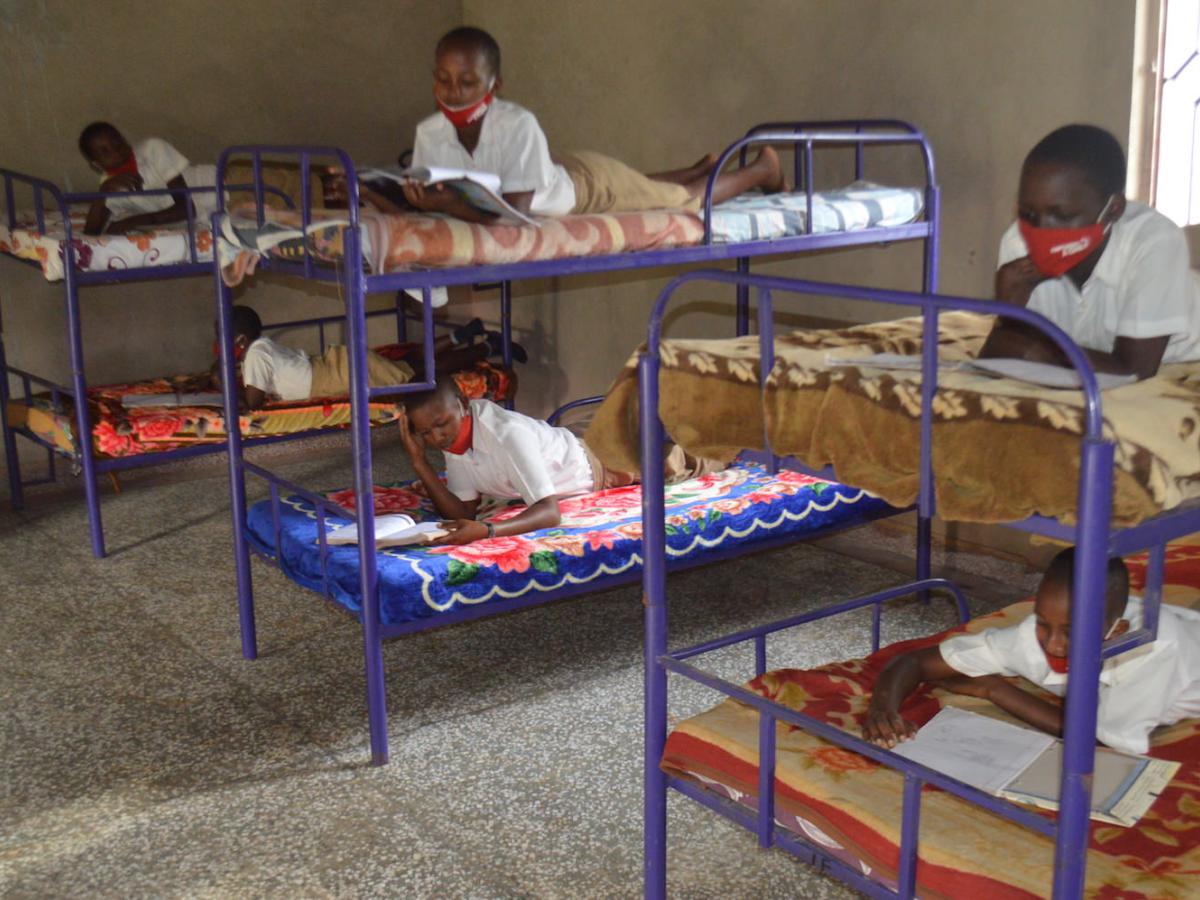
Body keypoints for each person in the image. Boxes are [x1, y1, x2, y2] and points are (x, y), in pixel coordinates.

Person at [337, 26, 785, 222]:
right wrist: (369, 193)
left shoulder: (519, 124)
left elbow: (512, 211)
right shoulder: (430, 132)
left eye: (467, 82)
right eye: (443, 79)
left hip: (584, 188)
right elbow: (428, 201)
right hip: (556, 172)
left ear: (496, 84)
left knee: (678, 202)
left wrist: (445, 205)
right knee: (639, 186)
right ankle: (700, 167)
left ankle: (762, 169)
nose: (452, 92)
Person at [863, 548, 1200, 755]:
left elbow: (1099, 741)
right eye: (1042, 622)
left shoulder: (1147, 649)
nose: (1052, 645)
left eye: (1071, 633)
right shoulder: (1028, 638)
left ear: (1119, 632)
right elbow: (915, 661)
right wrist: (882, 708)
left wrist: (994, 689)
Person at [980, 124, 1200, 380]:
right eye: (1028, 214)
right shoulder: (1017, 243)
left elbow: (1134, 370)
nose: (1040, 229)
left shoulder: (1154, 242)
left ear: (1114, 210)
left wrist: (1048, 351)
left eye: (1061, 216)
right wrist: (1009, 310)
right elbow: (1002, 354)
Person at [398, 376, 727, 545]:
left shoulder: (504, 434)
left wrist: (487, 531)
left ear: (462, 403)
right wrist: (420, 463)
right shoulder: (455, 437)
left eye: (441, 424)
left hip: (600, 461)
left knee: (679, 459)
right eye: (424, 434)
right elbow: (461, 512)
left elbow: (548, 512)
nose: (436, 437)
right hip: (570, 440)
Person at [221, 305, 514, 411]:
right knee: (411, 365)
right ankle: (471, 340)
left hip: (337, 375)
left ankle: (485, 348)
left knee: (419, 376)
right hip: (336, 366)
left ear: (241, 341)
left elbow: (253, 402)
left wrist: (223, 382)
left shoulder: (254, 355)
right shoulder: (261, 346)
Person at [78, 122, 218, 236]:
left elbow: (187, 209)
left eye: (117, 143)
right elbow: (92, 232)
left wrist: (132, 221)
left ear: (124, 140)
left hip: (222, 184)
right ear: (96, 165)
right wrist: (102, 194)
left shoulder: (152, 149)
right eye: (104, 152)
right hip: (208, 212)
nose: (116, 152)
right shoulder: (110, 185)